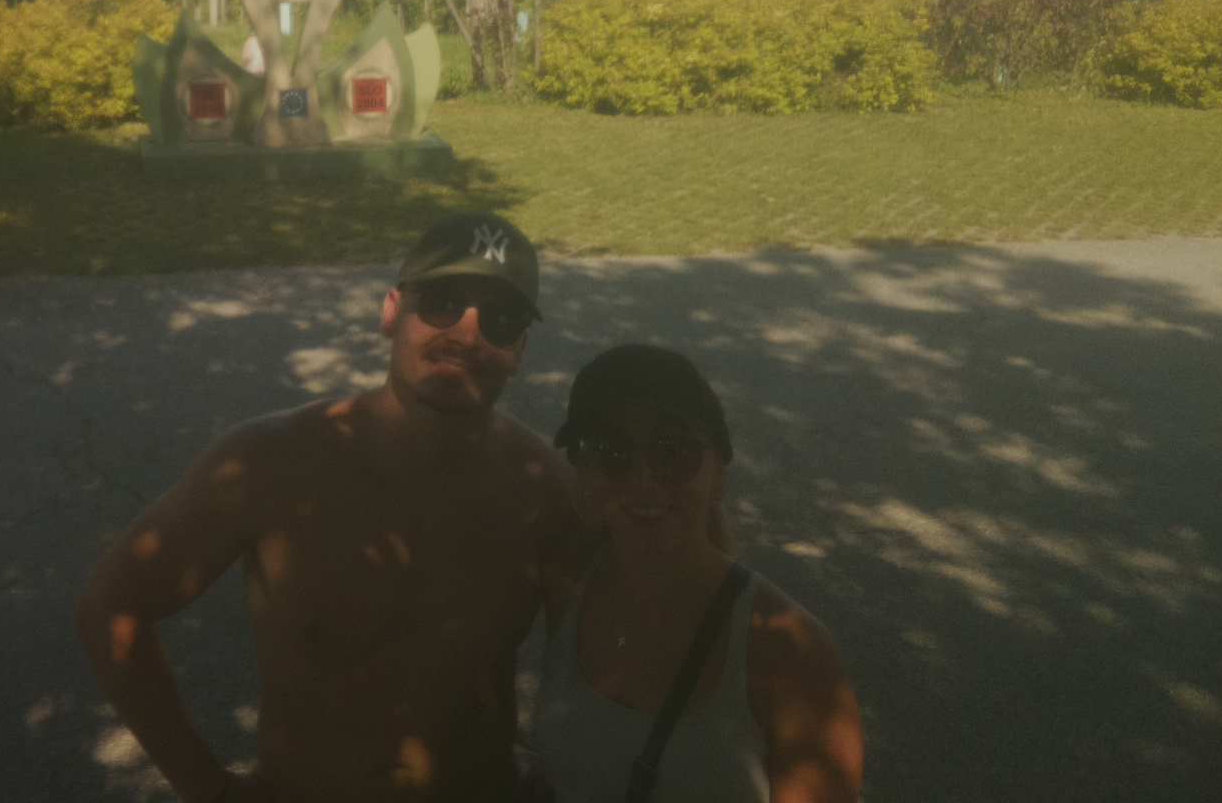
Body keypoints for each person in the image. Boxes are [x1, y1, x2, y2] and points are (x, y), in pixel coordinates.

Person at [77, 212, 584, 803]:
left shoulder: (548, 493)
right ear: (391, 311)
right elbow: (112, 604)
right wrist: (208, 790)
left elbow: (603, 668)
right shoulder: (269, 465)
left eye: (500, 319)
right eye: (443, 301)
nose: (467, 335)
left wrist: (562, 763)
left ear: (519, 350)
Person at [535, 344, 864, 803]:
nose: (643, 479)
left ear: (719, 475)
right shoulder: (567, 585)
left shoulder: (791, 654)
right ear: (582, 475)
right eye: (610, 451)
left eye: (674, 451)